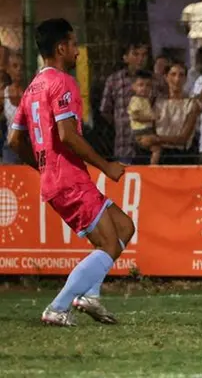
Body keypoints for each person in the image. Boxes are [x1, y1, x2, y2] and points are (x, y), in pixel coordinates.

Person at [7, 18, 135, 326]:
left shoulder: (33, 87)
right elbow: (67, 135)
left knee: (124, 227)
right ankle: (58, 306)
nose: (78, 51)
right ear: (61, 47)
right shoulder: (62, 82)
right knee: (107, 244)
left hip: (58, 178)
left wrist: (42, 165)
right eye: (74, 44)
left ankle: (89, 295)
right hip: (69, 178)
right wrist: (107, 166)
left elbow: (14, 140)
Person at [154, 62, 200, 165]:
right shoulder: (158, 103)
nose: (177, 79)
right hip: (160, 153)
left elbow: (184, 137)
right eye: (173, 74)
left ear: (186, 79)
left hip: (182, 155)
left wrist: (157, 139)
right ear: (166, 77)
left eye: (181, 75)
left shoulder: (191, 104)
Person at [128, 70, 161, 165]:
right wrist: (152, 118)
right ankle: (152, 169)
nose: (144, 88)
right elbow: (136, 116)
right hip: (141, 131)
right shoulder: (135, 100)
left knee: (156, 148)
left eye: (148, 85)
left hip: (147, 129)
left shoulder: (145, 100)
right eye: (140, 85)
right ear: (134, 87)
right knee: (156, 146)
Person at [2, 51, 25, 163]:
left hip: (27, 145)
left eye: (21, 67)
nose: (19, 70)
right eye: (15, 66)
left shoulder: (29, 92)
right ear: (8, 69)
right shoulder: (4, 94)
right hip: (10, 147)